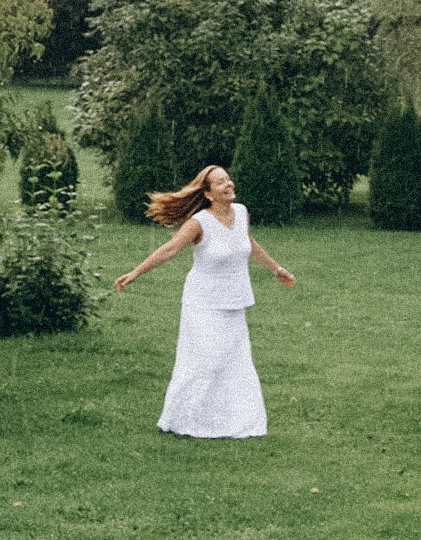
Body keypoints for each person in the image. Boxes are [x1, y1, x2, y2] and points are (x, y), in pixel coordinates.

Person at [114, 161, 295, 438]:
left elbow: (248, 245)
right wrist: (135, 272)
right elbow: (170, 249)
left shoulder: (241, 212)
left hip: (234, 301)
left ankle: (235, 422)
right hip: (203, 304)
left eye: (229, 179)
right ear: (208, 194)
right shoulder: (199, 223)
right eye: (221, 182)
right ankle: (183, 420)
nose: (229, 184)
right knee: (204, 362)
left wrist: (277, 269)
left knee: (234, 362)